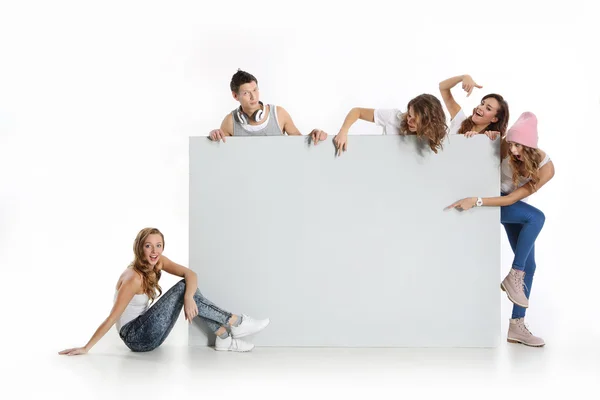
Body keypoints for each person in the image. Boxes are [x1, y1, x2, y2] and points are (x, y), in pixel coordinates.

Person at [59, 227, 270, 355]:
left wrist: (188, 298)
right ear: (139, 247)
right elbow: (112, 317)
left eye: (158, 245)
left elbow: (191, 274)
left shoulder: (158, 262)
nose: (154, 251)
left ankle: (224, 336)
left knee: (188, 289)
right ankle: (236, 323)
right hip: (136, 337)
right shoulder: (133, 278)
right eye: (148, 246)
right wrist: (86, 347)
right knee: (183, 288)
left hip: (148, 333)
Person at [445, 112, 555, 347]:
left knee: (531, 265)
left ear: (532, 146)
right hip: (491, 198)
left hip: (508, 204)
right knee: (537, 218)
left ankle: (517, 326)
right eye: (512, 143)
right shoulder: (502, 144)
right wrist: (479, 138)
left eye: (519, 146)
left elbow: (514, 198)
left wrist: (478, 201)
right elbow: (472, 152)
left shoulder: (546, 169)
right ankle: (514, 275)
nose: (514, 150)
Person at [208, 69, 327, 142]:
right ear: (235, 96)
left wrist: (313, 134)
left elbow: (299, 144)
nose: (253, 97)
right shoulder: (230, 122)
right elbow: (223, 156)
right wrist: (213, 136)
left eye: (255, 90)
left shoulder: (279, 114)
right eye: (246, 93)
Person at [326, 94, 448, 156]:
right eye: (409, 115)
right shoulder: (394, 117)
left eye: (415, 120)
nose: (409, 120)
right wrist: (343, 131)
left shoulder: (433, 136)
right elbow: (357, 111)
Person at [439, 74, 509, 140]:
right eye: (482, 103)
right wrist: (464, 77)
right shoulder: (460, 120)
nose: (480, 107)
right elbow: (443, 87)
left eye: (488, 108)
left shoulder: (490, 138)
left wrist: (480, 141)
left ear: (494, 119)